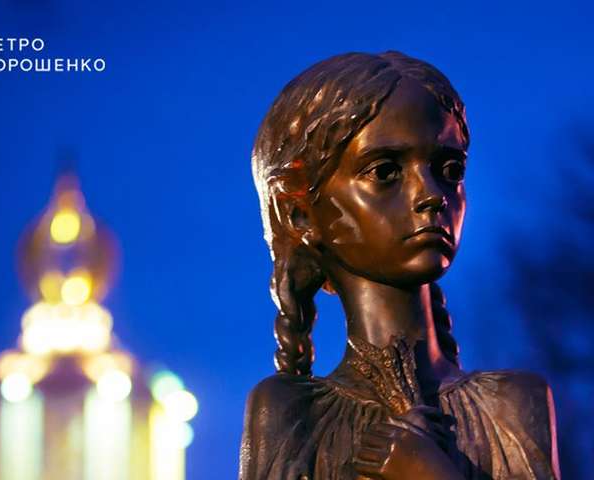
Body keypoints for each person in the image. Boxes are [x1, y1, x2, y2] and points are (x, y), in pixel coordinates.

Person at [239, 52, 560, 480]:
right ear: (300, 214)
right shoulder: (289, 413)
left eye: (450, 169)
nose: (432, 195)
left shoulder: (512, 404)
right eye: (385, 171)